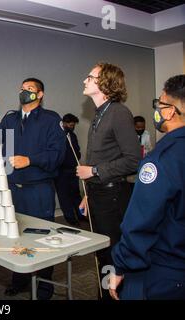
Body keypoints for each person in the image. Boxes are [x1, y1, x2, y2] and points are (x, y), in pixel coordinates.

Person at [0, 77, 66, 299]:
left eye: (29, 89)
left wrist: (30, 160)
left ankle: (45, 287)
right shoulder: (11, 119)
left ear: (40, 95)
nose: (24, 92)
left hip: (38, 189)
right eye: (21, 88)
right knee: (16, 236)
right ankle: (18, 280)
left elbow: (57, 154)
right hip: (13, 189)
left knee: (42, 238)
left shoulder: (51, 119)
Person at [110, 75, 185, 300]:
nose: (157, 110)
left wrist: (122, 264)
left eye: (159, 104)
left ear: (170, 111)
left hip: (163, 270)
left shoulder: (162, 158)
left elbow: (141, 221)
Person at [76, 62, 141, 299]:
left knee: (113, 254)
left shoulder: (118, 112)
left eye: (90, 77)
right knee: (102, 253)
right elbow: (106, 156)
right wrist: (88, 192)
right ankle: (105, 295)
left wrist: (93, 172)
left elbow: (134, 160)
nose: (85, 81)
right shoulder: (100, 112)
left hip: (113, 197)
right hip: (98, 193)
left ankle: (116, 294)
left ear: (105, 83)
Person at [54, 113, 83, 226]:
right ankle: (70, 218)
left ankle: (81, 215)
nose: (72, 127)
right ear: (64, 123)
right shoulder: (58, 135)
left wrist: (77, 156)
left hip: (73, 169)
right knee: (64, 196)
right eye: (70, 125)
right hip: (61, 171)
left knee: (76, 194)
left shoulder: (73, 135)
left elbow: (76, 150)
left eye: (73, 125)